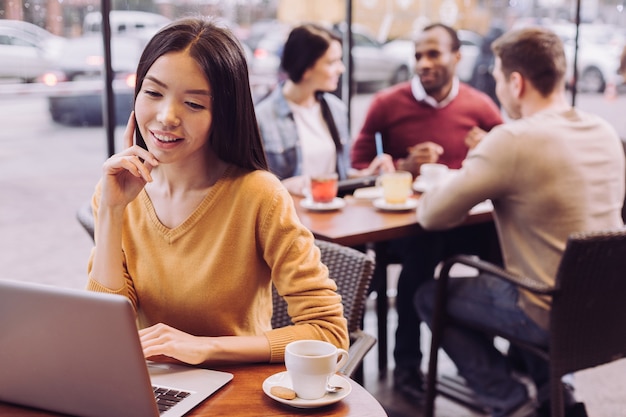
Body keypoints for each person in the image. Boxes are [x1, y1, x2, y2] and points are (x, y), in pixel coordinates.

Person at [85, 17, 349, 367]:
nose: (166, 117)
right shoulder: (118, 190)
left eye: (193, 104)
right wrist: (112, 210)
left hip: (238, 390)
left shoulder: (258, 196)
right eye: (152, 92)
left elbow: (328, 333)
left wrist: (207, 348)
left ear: (222, 113)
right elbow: (105, 330)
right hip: (152, 390)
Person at [415, 26, 624, 417]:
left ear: (516, 81)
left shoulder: (511, 140)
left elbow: (432, 215)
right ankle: (555, 396)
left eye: (496, 78)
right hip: (606, 311)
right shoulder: (604, 132)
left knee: (431, 293)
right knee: (517, 276)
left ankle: (509, 402)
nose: (496, 88)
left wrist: (473, 164)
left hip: (546, 311)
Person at [350, 22, 504, 401]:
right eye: (418, 55)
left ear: (457, 57)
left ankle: (499, 359)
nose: (423, 63)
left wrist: (489, 147)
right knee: (417, 266)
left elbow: (507, 155)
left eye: (433, 53)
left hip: (466, 219)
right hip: (411, 225)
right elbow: (358, 165)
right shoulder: (387, 103)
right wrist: (401, 165)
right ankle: (407, 368)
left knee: (502, 248)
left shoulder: (479, 104)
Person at [255, 23, 393, 195]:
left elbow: (336, 176)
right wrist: (284, 187)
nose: (341, 68)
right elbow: (251, 189)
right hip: (290, 217)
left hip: (332, 215)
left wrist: (365, 175)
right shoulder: (261, 118)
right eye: (332, 62)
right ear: (306, 68)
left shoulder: (336, 109)